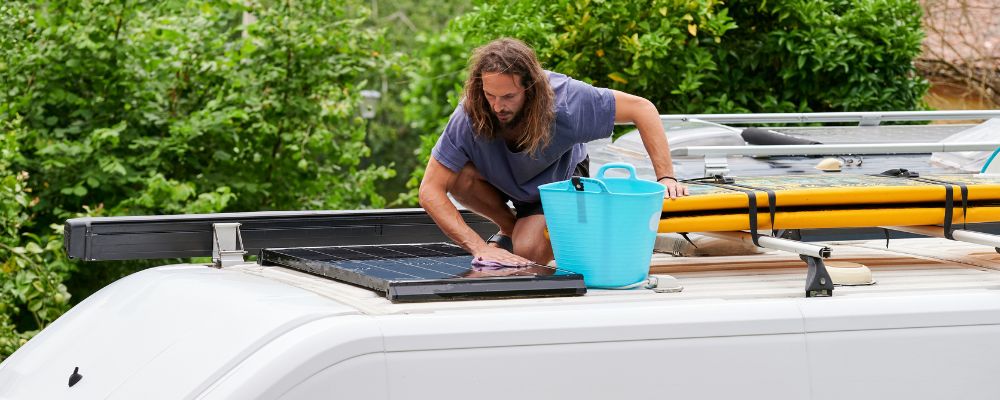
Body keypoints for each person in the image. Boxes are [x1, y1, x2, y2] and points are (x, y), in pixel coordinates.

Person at [419, 38, 688, 267]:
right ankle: (512, 226)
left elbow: (642, 109)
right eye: (491, 96)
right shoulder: (470, 113)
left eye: (509, 97)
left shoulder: (566, 100)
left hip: (559, 181)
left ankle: (553, 231)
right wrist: (480, 248)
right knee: (458, 176)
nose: (498, 106)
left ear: (530, 88)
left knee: (527, 251)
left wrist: (666, 177)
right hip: (507, 184)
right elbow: (430, 191)